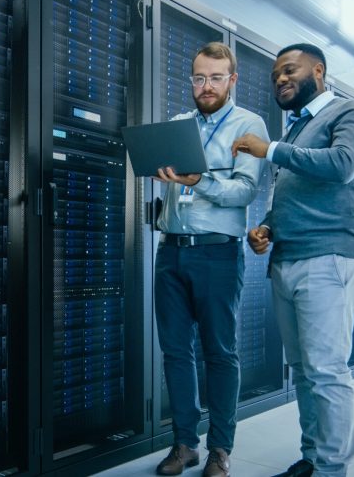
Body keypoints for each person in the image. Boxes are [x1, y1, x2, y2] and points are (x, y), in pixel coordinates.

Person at [231, 44, 354, 477]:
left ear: (319, 70)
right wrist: (267, 228)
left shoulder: (352, 113)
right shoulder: (295, 131)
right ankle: (313, 459)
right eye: (275, 74)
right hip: (288, 258)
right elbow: (289, 194)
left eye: (289, 70)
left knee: (326, 370)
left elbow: (342, 165)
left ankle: (331, 470)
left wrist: (270, 149)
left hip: (330, 255)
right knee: (304, 370)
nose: (280, 79)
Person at [153, 41, 267, 477]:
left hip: (218, 253)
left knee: (219, 353)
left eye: (216, 77)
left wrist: (198, 181)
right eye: (199, 77)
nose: (206, 86)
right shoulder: (179, 125)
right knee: (175, 352)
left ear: (232, 80)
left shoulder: (248, 125)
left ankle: (220, 448)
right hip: (172, 251)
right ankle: (184, 444)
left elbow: (244, 192)